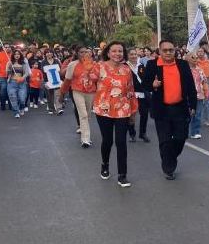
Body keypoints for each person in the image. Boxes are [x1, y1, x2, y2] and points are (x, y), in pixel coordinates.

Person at [143, 39, 197, 180]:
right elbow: (145, 84)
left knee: (180, 138)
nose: (168, 52)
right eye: (165, 50)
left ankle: (169, 157)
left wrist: (193, 105)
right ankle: (169, 168)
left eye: (171, 50)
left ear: (175, 51)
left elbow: (191, 87)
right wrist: (153, 85)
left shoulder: (182, 64)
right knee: (165, 141)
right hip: (162, 109)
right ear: (159, 51)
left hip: (180, 108)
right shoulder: (152, 64)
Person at [90, 41, 138, 188]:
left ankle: (122, 175)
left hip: (122, 109)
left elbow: (130, 90)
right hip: (103, 109)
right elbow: (89, 83)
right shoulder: (99, 67)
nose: (118, 54)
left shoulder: (126, 69)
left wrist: (133, 110)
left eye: (120, 51)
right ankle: (105, 164)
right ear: (108, 53)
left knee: (121, 142)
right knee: (107, 141)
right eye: (114, 51)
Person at [59, 46, 97, 147]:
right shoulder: (72, 65)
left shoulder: (94, 64)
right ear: (77, 53)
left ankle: (85, 132)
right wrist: (62, 94)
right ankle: (85, 139)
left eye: (86, 52)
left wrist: (91, 75)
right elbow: (67, 81)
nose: (84, 54)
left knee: (88, 114)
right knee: (83, 114)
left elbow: (98, 79)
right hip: (77, 91)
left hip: (91, 92)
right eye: (81, 52)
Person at [125, 48, 151, 143]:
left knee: (144, 114)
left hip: (142, 94)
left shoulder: (142, 66)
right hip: (131, 94)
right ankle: (132, 134)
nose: (134, 56)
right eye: (131, 54)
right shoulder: (125, 66)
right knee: (131, 115)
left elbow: (146, 79)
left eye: (135, 54)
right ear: (127, 55)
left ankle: (142, 133)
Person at [187, 52, 208, 140]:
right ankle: (182, 131)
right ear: (188, 58)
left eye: (196, 58)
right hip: (187, 96)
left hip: (199, 96)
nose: (195, 59)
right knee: (186, 115)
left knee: (197, 114)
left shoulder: (200, 70)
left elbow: (204, 81)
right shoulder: (185, 70)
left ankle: (195, 132)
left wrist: (206, 92)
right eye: (193, 57)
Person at [6, 49, 30, 118]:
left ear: (20, 55)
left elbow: (27, 73)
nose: (17, 55)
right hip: (11, 83)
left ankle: (21, 107)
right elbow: (7, 73)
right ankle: (16, 112)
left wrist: (22, 78)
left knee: (22, 99)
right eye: (15, 54)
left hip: (22, 83)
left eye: (18, 54)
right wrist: (9, 68)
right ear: (13, 55)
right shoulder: (10, 63)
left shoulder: (24, 63)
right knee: (13, 98)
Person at [40, 49, 64, 115]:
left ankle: (59, 108)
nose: (49, 54)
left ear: (53, 53)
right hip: (47, 81)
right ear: (45, 54)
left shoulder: (56, 61)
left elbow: (60, 70)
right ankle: (51, 108)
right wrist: (45, 83)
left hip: (57, 80)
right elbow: (43, 71)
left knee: (57, 94)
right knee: (49, 95)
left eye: (50, 52)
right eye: (47, 53)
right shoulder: (43, 62)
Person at [0, 43, 12, 111]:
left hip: (11, 76)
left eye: (8, 47)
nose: (7, 48)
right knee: (3, 90)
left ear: (10, 47)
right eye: (6, 47)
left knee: (10, 91)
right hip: (2, 76)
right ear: (3, 48)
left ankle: (11, 105)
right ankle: (3, 105)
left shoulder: (13, 54)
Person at [196, 49, 209, 124]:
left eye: (202, 52)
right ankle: (196, 118)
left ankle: (207, 119)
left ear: (204, 53)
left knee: (207, 102)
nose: (200, 53)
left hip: (207, 81)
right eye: (199, 51)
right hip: (198, 82)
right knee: (198, 101)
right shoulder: (195, 62)